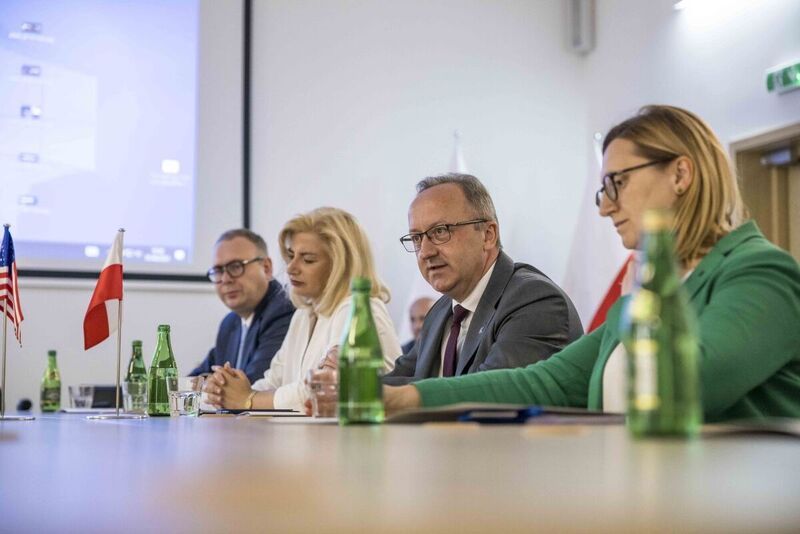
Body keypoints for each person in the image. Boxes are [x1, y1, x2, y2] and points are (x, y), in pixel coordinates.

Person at [385, 105, 800, 422]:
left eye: (617, 183)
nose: (606, 209)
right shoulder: (649, 291)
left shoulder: (760, 273)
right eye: (603, 190)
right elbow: (544, 381)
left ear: (680, 174)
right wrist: (404, 397)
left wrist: (647, 298)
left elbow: (686, 386)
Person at [382, 173, 583, 386]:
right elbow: (395, 382)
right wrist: (347, 385)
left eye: (440, 231)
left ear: (488, 235)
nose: (425, 252)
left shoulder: (535, 301)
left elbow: (489, 394)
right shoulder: (441, 312)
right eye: (416, 238)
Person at [204, 207, 402, 411]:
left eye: (308, 260)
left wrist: (247, 399)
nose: (291, 268)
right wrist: (226, 393)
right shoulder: (304, 314)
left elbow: (323, 390)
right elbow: (274, 380)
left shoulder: (358, 309)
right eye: (291, 256)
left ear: (340, 265)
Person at [190, 229, 294, 383]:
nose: (226, 279)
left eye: (236, 266)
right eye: (218, 271)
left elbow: (253, 385)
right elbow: (196, 379)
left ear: (266, 268)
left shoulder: (284, 310)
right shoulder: (230, 323)